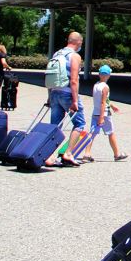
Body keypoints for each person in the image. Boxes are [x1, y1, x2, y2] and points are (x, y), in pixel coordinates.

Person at [43, 32, 85, 167]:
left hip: (54, 92)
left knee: (55, 126)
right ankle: (68, 153)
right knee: (79, 124)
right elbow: (74, 80)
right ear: (78, 42)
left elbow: (51, 76)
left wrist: (49, 96)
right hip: (67, 93)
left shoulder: (57, 54)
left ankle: (48, 156)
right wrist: (74, 100)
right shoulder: (75, 56)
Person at [87, 64, 129, 161]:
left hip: (95, 112)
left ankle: (87, 153)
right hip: (104, 114)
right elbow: (103, 102)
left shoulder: (96, 85)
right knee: (111, 133)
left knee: (92, 134)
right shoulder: (105, 87)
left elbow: (103, 100)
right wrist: (102, 117)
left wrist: (112, 105)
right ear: (108, 75)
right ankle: (117, 154)